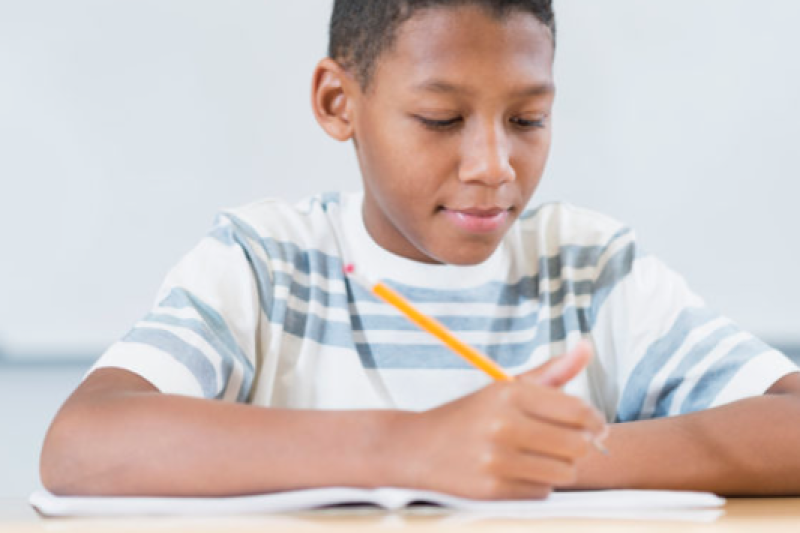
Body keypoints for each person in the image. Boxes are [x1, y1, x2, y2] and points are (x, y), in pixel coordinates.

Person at [40, 0, 800, 499]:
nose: (494, 166)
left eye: (528, 120)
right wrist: (410, 449)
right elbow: (81, 445)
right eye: (441, 119)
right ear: (339, 103)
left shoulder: (588, 270)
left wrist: (538, 458)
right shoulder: (265, 263)